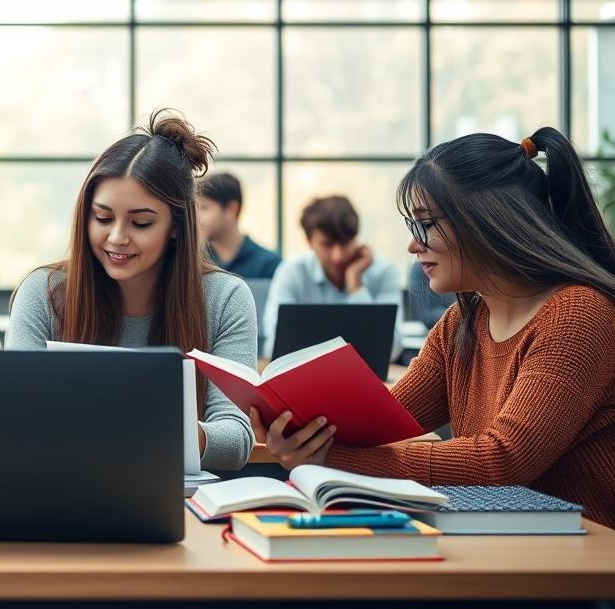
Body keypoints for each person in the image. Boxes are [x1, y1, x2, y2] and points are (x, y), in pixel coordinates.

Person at [251, 128, 615, 528]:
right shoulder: (462, 322)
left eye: (424, 224)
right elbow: (383, 419)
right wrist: (298, 425)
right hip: (501, 541)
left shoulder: (578, 317)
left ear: (485, 220)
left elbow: (502, 461)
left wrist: (328, 457)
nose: (412, 245)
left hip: (581, 561)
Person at [7, 111, 257, 471]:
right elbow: (15, 419)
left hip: (178, 497)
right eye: (103, 218)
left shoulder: (225, 298)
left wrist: (155, 427)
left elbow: (235, 440)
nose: (117, 237)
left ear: (176, 227)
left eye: (141, 223)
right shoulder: (43, 293)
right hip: (61, 489)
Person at [262, 195, 402, 359]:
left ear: (356, 236)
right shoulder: (291, 272)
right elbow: (273, 347)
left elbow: (391, 348)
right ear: (309, 241)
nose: (338, 256)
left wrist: (356, 286)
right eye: (327, 244)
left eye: (345, 243)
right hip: (306, 380)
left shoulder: (384, 272)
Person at [197, 172, 281, 279]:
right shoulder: (193, 260)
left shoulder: (269, 265)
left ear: (232, 209)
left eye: (204, 207)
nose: (197, 217)